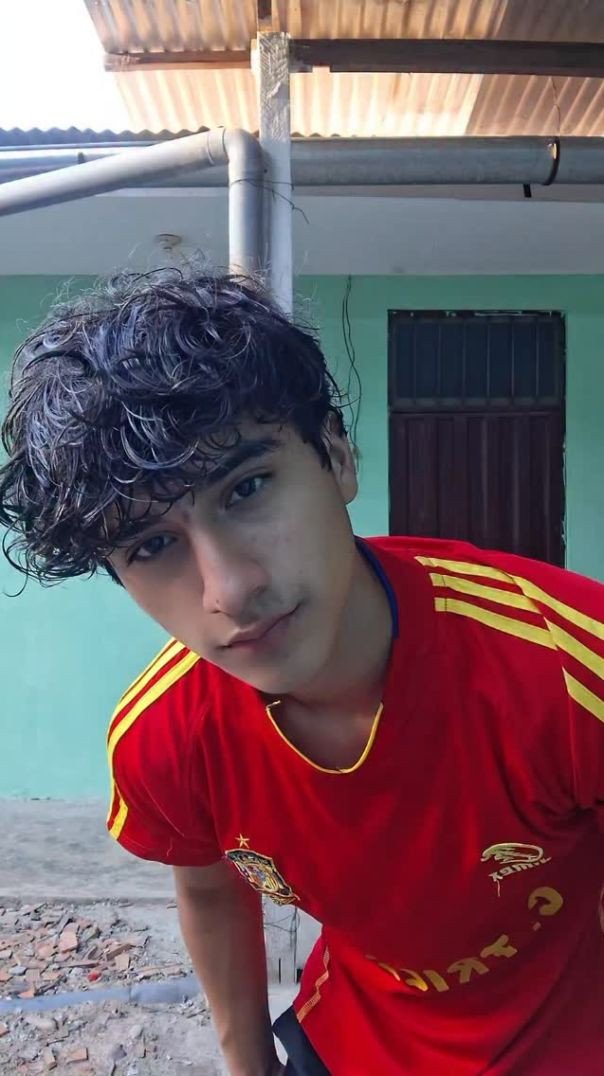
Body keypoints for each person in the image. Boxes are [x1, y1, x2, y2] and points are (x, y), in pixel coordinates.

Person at [1, 268, 603, 1076]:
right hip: (356, 1039)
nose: (228, 590)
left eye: (246, 488)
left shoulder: (567, 666)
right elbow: (210, 890)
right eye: (152, 545)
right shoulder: (166, 738)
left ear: (338, 457)